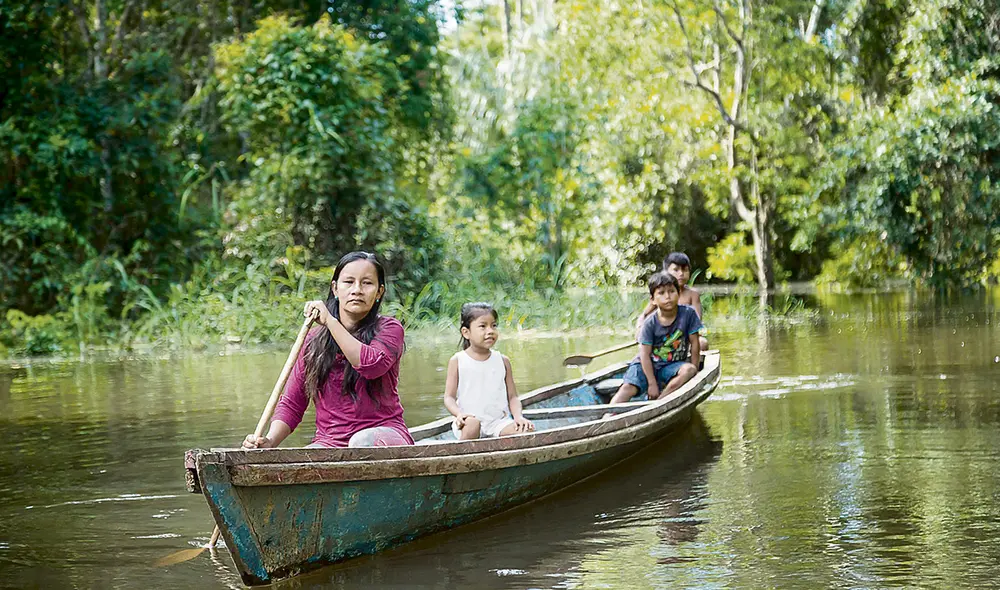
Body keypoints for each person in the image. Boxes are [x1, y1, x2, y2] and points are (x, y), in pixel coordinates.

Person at [242, 251, 414, 449]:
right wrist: (269, 442)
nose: (357, 290)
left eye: (367, 283)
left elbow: (370, 365)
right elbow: (292, 403)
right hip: (330, 443)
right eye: (348, 282)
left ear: (379, 292)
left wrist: (330, 322)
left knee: (361, 442)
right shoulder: (313, 340)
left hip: (383, 435)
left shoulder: (389, 329)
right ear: (335, 288)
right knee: (306, 457)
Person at [443, 302, 535, 440]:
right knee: (473, 424)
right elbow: (449, 397)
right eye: (482, 326)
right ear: (466, 332)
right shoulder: (458, 360)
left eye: (494, 325)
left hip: (499, 423)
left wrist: (518, 417)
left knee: (526, 431)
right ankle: (465, 458)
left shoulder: (502, 361)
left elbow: (513, 397)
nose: (490, 331)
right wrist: (459, 414)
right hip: (468, 422)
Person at [611, 271, 702, 404]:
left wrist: (694, 372)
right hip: (647, 365)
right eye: (661, 293)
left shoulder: (688, 314)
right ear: (653, 299)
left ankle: (659, 402)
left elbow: (695, 344)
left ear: (678, 293)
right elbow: (644, 355)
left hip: (672, 366)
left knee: (689, 370)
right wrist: (651, 383)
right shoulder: (649, 323)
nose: (668, 297)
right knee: (627, 388)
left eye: (672, 291)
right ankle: (607, 417)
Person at [635, 252, 708, 351]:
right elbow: (644, 315)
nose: (681, 274)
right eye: (676, 270)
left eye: (685, 270)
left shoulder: (692, 294)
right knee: (644, 345)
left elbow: (697, 320)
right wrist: (640, 328)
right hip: (663, 338)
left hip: (684, 337)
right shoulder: (660, 295)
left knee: (702, 343)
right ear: (666, 271)